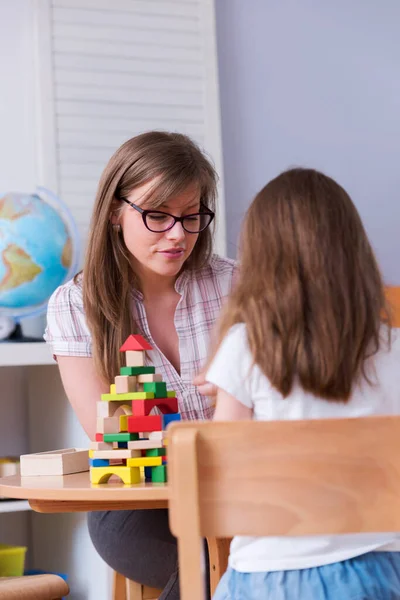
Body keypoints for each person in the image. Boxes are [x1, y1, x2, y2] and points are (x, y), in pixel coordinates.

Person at [44, 131, 236, 599]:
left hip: (230, 489)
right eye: (157, 216)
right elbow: (107, 436)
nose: (178, 234)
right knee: (206, 564)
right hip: (136, 500)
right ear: (116, 210)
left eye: (192, 217)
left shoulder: (236, 286)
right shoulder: (75, 306)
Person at [206, 168, 400, 600]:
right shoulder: (395, 349)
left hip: (263, 579)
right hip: (375, 577)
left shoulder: (244, 348)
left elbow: (218, 483)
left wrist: (226, 389)